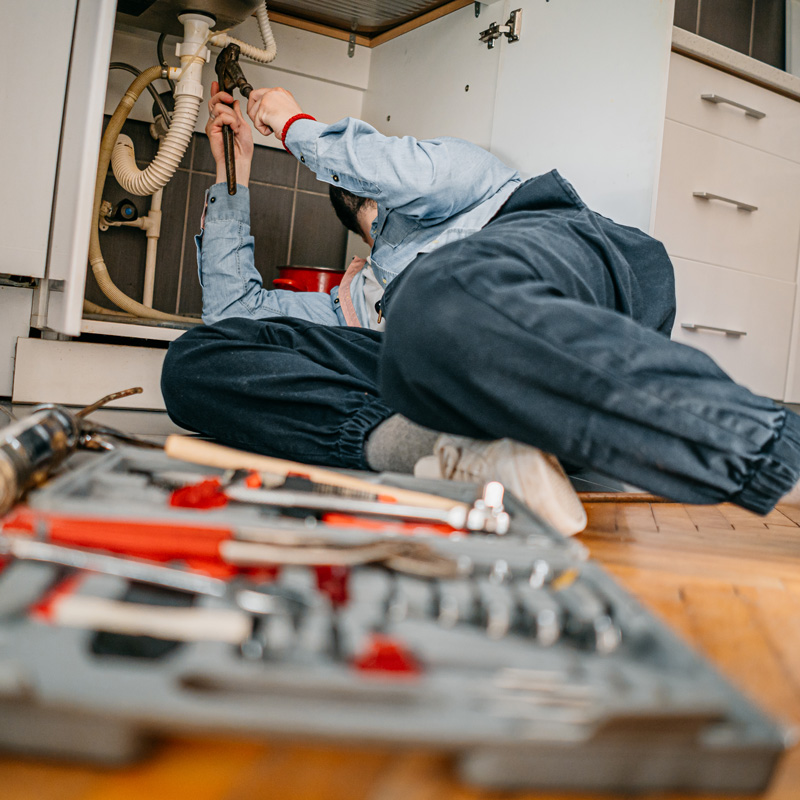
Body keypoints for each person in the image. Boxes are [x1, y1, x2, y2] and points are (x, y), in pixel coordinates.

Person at [160, 83, 800, 532]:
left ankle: (761, 447)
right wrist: (232, 176)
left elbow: (398, 173)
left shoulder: (467, 181)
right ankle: (436, 453)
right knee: (194, 361)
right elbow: (234, 312)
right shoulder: (357, 295)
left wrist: (296, 128)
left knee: (437, 297)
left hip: (560, 266)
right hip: (449, 375)